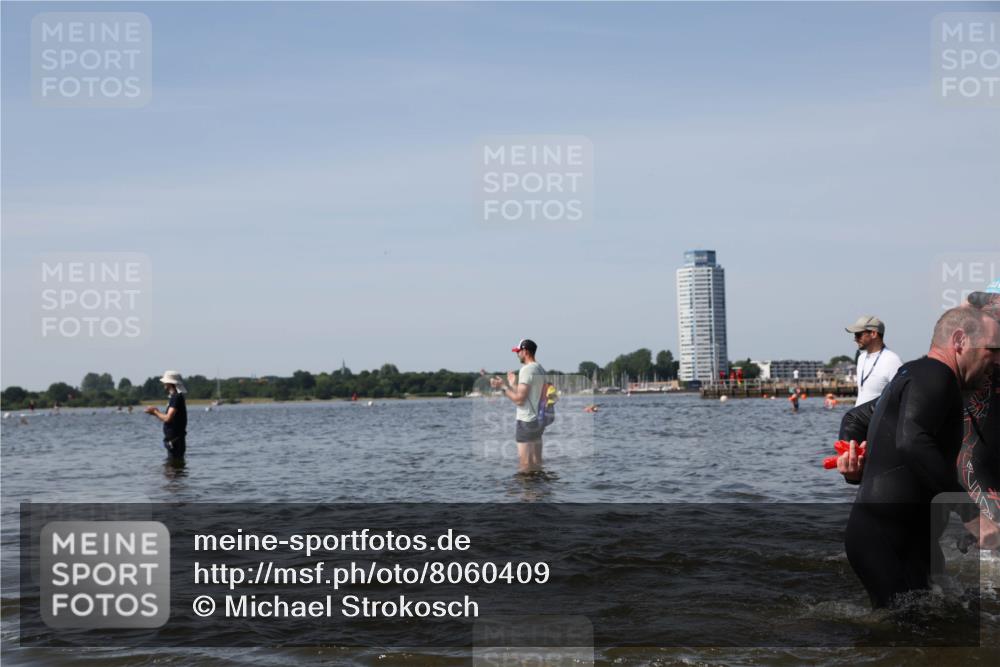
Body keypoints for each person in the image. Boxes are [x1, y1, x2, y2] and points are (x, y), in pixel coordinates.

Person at [844, 307, 1000, 607]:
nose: (997, 359)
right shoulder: (935, 376)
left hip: (905, 538)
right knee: (908, 635)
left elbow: (856, 418)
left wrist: (851, 457)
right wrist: (973, 517)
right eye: (992, 350)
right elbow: (912, 442)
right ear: (960, 341)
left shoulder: (920, 374)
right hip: (886, 539)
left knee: (937, 628)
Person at [490, 339, 547, 474]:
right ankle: (539, 493)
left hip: (526, 421)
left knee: (525, 464)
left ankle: (528, 494)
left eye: (518, 352)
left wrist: (502, 387)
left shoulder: (526, 370)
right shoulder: (540, 368)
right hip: (538, 421)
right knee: (536, 462)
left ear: (525, 351)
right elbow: (529, 396)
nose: (517, 355)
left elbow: (520, 400)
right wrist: (512, 384)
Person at [845, 315, 903, 405]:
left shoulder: (892, 360)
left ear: (873, 334)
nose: (855, 339)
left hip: (879, 418)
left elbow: (902, 397)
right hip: (859, 418)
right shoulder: (861, 358)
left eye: (858, 335)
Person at [145, 370, 188, 460]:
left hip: (175, 442)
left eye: (165, 382)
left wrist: (155, 412)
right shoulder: (175, 397)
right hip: (176, 441)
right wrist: (155, 412)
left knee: (173, 471)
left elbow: (168, 418)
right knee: (175, 470)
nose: (164, 383)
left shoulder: (176, 397)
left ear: (170, 383)